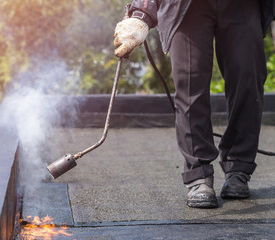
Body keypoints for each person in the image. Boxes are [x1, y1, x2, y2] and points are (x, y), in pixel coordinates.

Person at [114, 0, 274, 208]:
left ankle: (239, 168)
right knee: (190, 84)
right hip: (186, 8)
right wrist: (141, 12)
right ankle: (198, 175)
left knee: (248, 80)